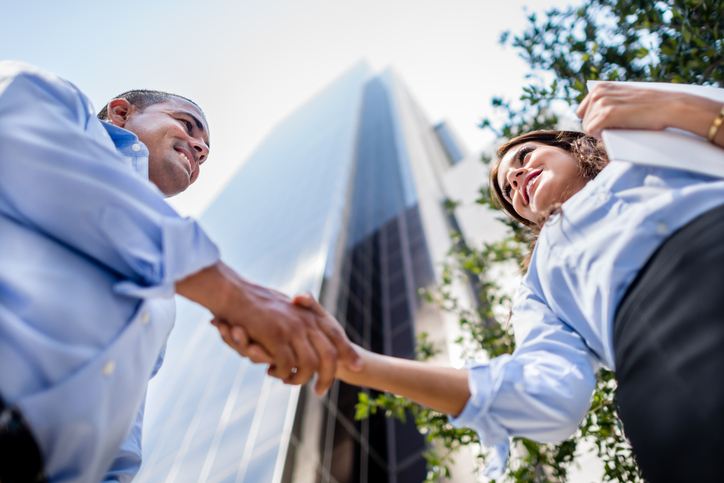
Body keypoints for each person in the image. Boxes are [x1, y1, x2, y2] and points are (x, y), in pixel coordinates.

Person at [222, 82, 724, 482]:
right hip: (669, 372)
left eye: (525, 157)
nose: (517, 179)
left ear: (572, 144)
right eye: (510, 189)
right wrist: (358, 363)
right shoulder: (540, 286)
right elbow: (548, 398)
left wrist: (681, 106)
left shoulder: (651, 142)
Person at [0, 61, 362, 483]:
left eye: (205, 149)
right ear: (121, 114)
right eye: (188, 125)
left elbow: (122, 417)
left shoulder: (160, 300)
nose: (200, 148)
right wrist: (234, 295)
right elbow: (20, 135)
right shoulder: (49, 99)